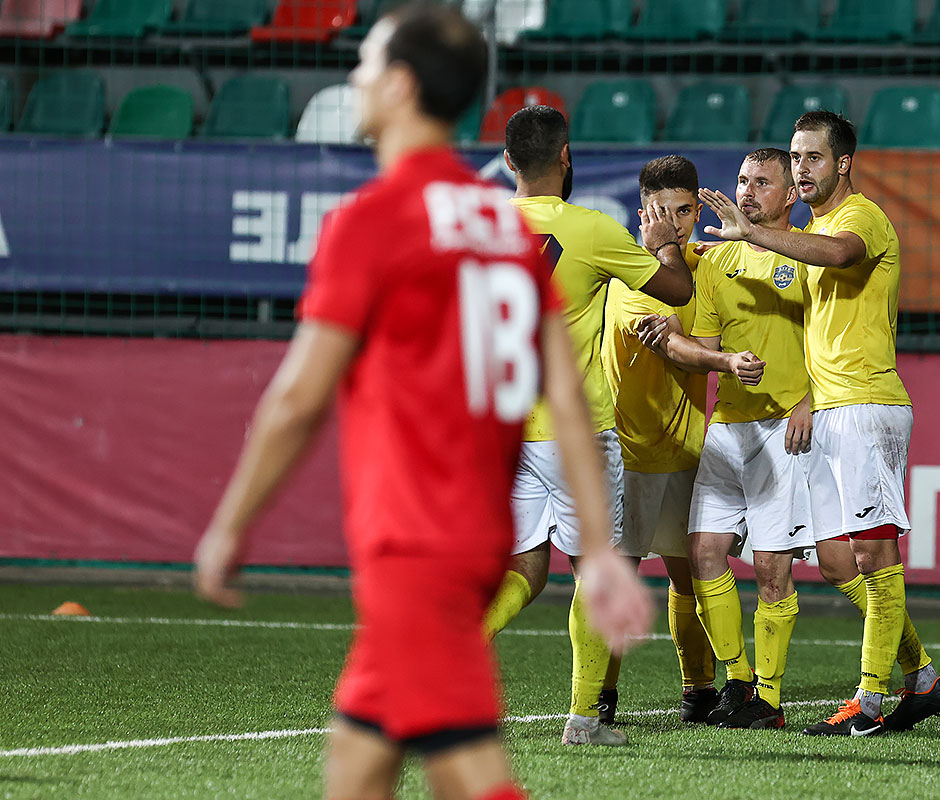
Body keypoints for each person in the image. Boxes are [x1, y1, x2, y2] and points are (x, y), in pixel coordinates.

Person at [191, 7, 652, 800]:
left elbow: (297, 399)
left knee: (469, 772)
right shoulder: (500, 230)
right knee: (358, 760)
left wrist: (230, 525)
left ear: (400, 86)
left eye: (367, 62)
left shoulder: (374, 220)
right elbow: (568, 397)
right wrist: (602, 553)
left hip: (413, 538)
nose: (356, 77)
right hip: (469, 530)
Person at [696, 111, 940, 737]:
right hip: (832, 411)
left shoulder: (860, 218)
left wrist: (755, 237)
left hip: (868, 406)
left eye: (813, 157)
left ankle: (869, 703)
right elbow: (806, 292)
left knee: (874, 553)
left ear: (843, 163)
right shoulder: (808, 231)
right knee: (840, 563)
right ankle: (923, 679)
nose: (803, 168)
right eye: (796, 157)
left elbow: (840, 255)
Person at [481, 106, 694, 746]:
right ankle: (583, 718)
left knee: (524, 563)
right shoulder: (592, 229)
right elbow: (677, 291)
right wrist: (665, 243)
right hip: (576, 431)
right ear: (566, 157)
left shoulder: (479, 229)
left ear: (508, 161)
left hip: (505, 428)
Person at [636, 148, 812, 730]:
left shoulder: (808, 255)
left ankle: (770, 697)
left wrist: (809, 400)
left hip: (784, 427)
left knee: (776, 568)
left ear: (790, 194)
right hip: (728, 425)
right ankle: (736, 679)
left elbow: (832, 338)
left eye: (762, 182)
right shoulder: (716, 261)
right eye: (741, 180)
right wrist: (687, 346)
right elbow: (706, 345)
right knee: (703, 553)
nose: (747, 191)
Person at [598, 155, 718, 724]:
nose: (674, 224)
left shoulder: (706, 267)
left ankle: (699, 688)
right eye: (662, 212)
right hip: (629, 452)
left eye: (684, 211)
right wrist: (721, 355)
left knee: (689, 573)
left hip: (686, 449)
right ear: (643, 213)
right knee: (617, 575)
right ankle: (599, 692)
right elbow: (673, 346)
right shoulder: (633, 272)